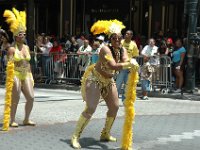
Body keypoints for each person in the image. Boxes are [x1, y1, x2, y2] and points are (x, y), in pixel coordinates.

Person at [70, 20, 139, 149]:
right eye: (114, 38)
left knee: (115, 106)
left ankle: (105, 133)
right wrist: (129, 64)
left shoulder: (122, 49)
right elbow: (113, 65)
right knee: (91, 108)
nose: (117, 40)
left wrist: (132, 62)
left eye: (119, 38)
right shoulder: (105, 49)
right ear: (110, 39)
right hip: (95, 79)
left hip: (108, 80)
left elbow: (125, 60)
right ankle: (75, 136)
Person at [2, 8, 35, 131]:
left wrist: (31, 75)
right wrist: (10, 78)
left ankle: (26, 119)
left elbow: (28, 63)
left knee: (31, 98)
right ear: (16, 36)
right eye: (20, 34)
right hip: (15, 74)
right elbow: (9, 64)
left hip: (26, 74)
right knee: (15, 98)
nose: (23, 35)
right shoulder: (11, 49)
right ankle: (12, 120)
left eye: (24, 34)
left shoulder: (26, 47)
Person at [116, 30, 139, 103]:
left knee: (127, 85)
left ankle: (125, 100)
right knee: (118, 84)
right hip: (121, 67)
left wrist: (133, 66)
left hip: (129, 68)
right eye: (126, 34)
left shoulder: (133, 44)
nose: (127, 35)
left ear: (131, 36)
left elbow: (135, 56)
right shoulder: (121, 42)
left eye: (129, 34)